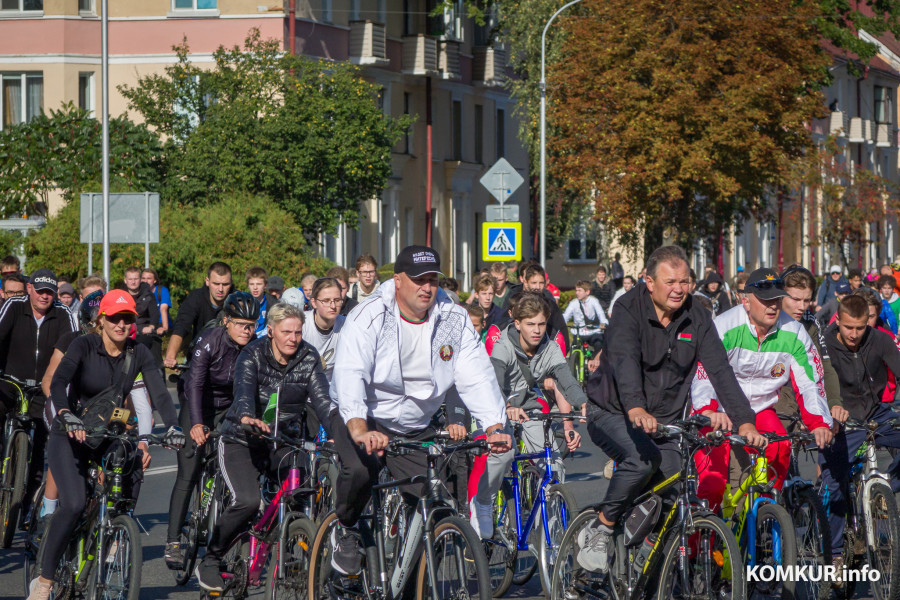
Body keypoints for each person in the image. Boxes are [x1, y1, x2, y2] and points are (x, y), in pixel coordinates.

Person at [576, 245, 765, 573]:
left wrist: (745, 421)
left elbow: (720, 370)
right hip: (612, 409)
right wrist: (635, 407)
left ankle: (647, 561)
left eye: (685, 281)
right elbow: (624, 359)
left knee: (676, 487)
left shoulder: (697, 316)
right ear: (649, 282)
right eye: (670, 282)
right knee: (641, 461)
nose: (679, 289)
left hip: (663, 420)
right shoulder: (627, 308)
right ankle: (602, 528)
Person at [328, 245, 511, 575]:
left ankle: (413, 584)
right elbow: (350, 372)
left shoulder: (453, 317)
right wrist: (358, 427)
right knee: (359, 472)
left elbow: (476, 374)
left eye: (432, 280)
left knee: (434, 508)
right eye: (418, 280)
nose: (427, 287)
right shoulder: (369, 315)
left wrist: (494, 425)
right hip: (363, 414)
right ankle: (347, 528)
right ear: (398, 280)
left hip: (414, 423)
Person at [27, 290, 184, 600]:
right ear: (102, 320)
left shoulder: (139, 352)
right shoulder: (83, 345)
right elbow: (58, 382)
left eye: (127, 319)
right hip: (70, 432)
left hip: (107, 433)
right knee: (74, 504)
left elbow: (160, 393)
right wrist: (66, 413)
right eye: (114, 318)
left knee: (133, 461)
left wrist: (173, 427)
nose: (121, 325)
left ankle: (116, 526)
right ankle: (44, 580)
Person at [194, 302, 333, 592]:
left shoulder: (309, 357)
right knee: (246, 500)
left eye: (298, 332)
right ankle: (211, 558)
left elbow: (322, 401)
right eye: (286, 332)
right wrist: (247, 416)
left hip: (284, 441)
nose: (293, 338)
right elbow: (243, 389)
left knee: (302, 495)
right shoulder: (252, 353)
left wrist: (336, 434)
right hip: (241, 438)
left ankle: (291, 550)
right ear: (270, 331)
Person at [690, 268, 833, 512]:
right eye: (765, 300)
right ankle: (702, 533)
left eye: (776, 300)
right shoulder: (724, 326)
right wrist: (708, 409)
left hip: (760, 409)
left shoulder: (795, 332)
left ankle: (764, 512)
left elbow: (811, 382)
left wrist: (819, 422)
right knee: (712, 485)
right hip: (718, 410)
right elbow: (704, 374)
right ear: (746, 302)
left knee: (779, 448)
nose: (772, 306)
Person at [164, 292, 260, 569]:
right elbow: (194, 385)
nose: (246, 330)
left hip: (228, 408)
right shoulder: (210, 341)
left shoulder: (254, 345)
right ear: (226, 321)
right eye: (240, 324)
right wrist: (196, 423)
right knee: (189, 469)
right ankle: (173, 541)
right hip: (198, 404)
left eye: (251, 325)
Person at [820, 294, 900, 576]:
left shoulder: (880, 340)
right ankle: (836, 553)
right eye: (848, 327)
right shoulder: (825, 343)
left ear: (869, 322)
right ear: (838, 321)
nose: (854, 334)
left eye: (860, 328)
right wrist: (832, 409)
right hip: (842, 418)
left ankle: (887, 485)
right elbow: (818, 382)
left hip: (877, 414)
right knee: (833, 484)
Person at [0, 269, 77, 528]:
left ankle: (29, 505)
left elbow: (74, 349)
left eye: (50, 292)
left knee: (43, 442)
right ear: (29, 288)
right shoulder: (14, 306)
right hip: (9, 382)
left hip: (44, 388)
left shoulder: (63, 314)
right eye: (40, 290)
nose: (44, 296)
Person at [35, 278, 109, 537]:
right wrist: (63, 411)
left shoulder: (116, 347)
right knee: (64, 445)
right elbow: (49, 380)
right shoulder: (71, 340)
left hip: (92, 412)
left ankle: (94, 513)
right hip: (62, 405)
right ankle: (47, 511)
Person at [774, 266, 847, 431]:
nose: (802, 307)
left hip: (800, 393)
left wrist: (834, 403)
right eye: (795, 299)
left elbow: (823, 365)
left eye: (806, 300)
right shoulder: (769, 317)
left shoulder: (810, 322)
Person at [163, 262, 234, 369]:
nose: (220, 289)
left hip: (228, 359)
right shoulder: (195, 298)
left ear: (231, 283)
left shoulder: (237, 300)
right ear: (207, 281)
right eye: (216, 284)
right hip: (198, 356)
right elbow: (181, 328)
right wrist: (170, 357)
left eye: (225, 284)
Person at [302, 277, 346, 383]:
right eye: (326, 301)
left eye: (337, 300)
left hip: (332, 387)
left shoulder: (347, 325)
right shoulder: (301, 324)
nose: (333, 306)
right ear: (314, 302)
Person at [521, 264, 570, 355]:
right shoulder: (519, 303)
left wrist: (563, 350)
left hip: (545, 351)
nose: (537, 287)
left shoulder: (550, 305)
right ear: (526, 282)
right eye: (534, 283)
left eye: (541, 283)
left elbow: (561, 329)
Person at [122, 266, 161, 360]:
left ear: (140, 280)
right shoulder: (121, 296)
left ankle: (155, 368)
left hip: (144, 330)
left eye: (136, 279)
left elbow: (154, 314)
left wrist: (151, 327)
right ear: (125, 280)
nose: (133, 282)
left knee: (154, 343)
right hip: (125, 329)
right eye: (130, 279)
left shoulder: (148, 294)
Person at [562, 279, 608, 353]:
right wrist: (560, 323)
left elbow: (600, 313)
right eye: (576, 290)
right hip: (579, 332)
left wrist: (603, 323)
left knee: (599, 345)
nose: (577, 293)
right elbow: (566, 316)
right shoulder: (573, 303)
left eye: (579, 291)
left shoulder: (594, 301)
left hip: (593, 331)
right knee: (573, 349)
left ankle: (596, 359)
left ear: (587, 292)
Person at [244, 266, 277, 338]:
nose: (255, 288)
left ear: (265, 285)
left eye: (259, 284)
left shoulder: (274, 304)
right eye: (252, 284)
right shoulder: (242, 302)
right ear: (248, 285)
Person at [141, 268, 171, 334]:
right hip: (145, 324)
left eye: (149, 278)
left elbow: (163, 309)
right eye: (143, 278)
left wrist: (164, 328)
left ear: (154, 280)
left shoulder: (162, 291)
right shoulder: (138, 292)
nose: (145, 281)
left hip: (159, 323)